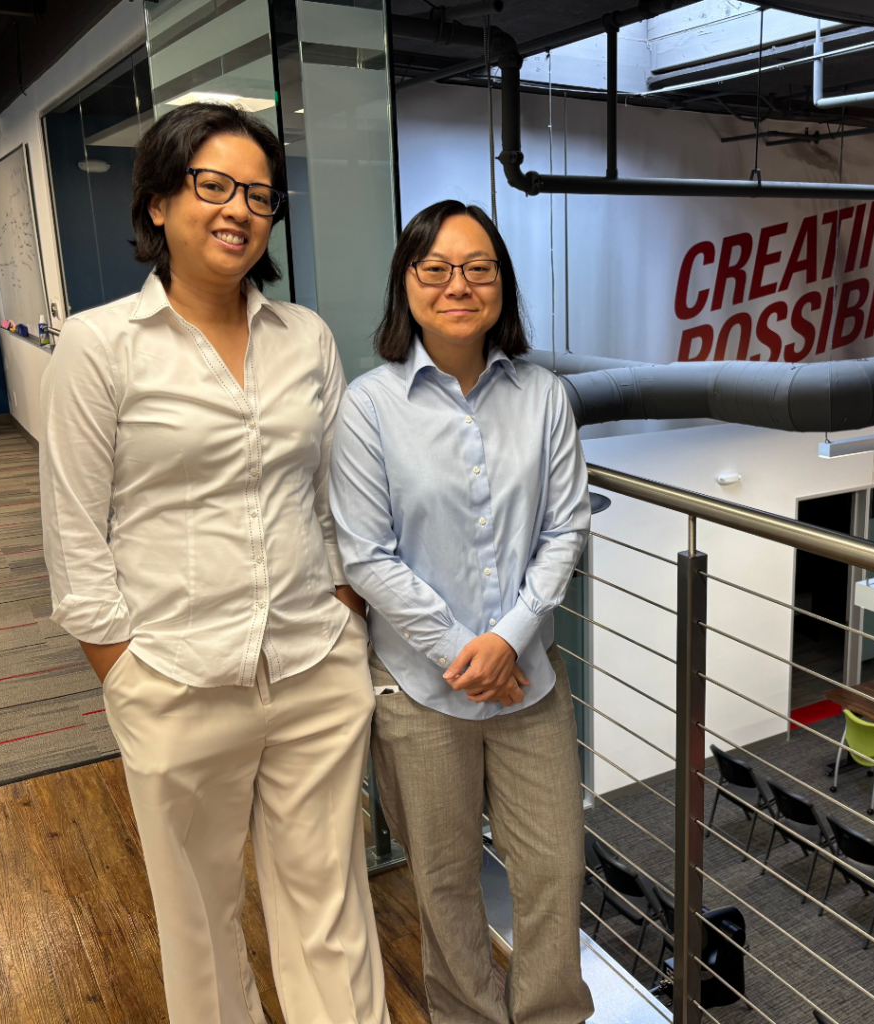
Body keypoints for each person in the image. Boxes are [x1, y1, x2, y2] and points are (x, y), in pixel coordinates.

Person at [39, 103, 387, 1024]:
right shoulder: (98, 345)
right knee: (197, 921)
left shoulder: (303, 337)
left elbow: (333, 495)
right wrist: (123, 671)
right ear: (159, 202)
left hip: (314, 660)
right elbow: (75, 529)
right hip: (175, 675)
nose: (239, 209)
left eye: (260, 195)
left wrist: (348, 603)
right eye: (214, 186)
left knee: (331, 909)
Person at [329, 199, 594, 1024]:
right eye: (435, 268)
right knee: (442, 877)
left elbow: (566, 525)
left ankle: (551, 1014)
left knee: (553, 866)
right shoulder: (369, 407)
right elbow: (366, 554)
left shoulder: (544, 394)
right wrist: (463, 652)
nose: (458, 285)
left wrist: (508, 639)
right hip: (421, 689)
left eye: (479, 268)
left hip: (528, 684)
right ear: (405, 284)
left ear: (502, 287)